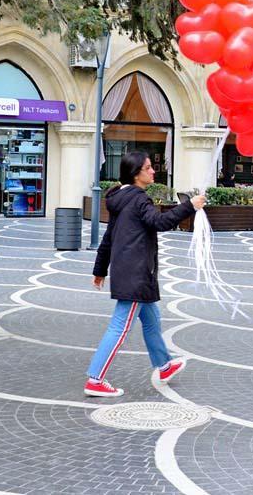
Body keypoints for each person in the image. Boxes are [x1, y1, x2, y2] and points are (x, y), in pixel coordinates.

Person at [85, 150, 205, 397]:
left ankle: (164, 366)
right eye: (148, 168)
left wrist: (99, 270)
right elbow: (160, 223)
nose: (153, 171)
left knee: (152, 320)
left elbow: (109, 237)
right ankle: (95, 379)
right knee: (119, 327)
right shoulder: (139, 199)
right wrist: (189, 206)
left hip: (134, 272)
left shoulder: (121, 197)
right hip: (136, 273)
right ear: (136, 173)